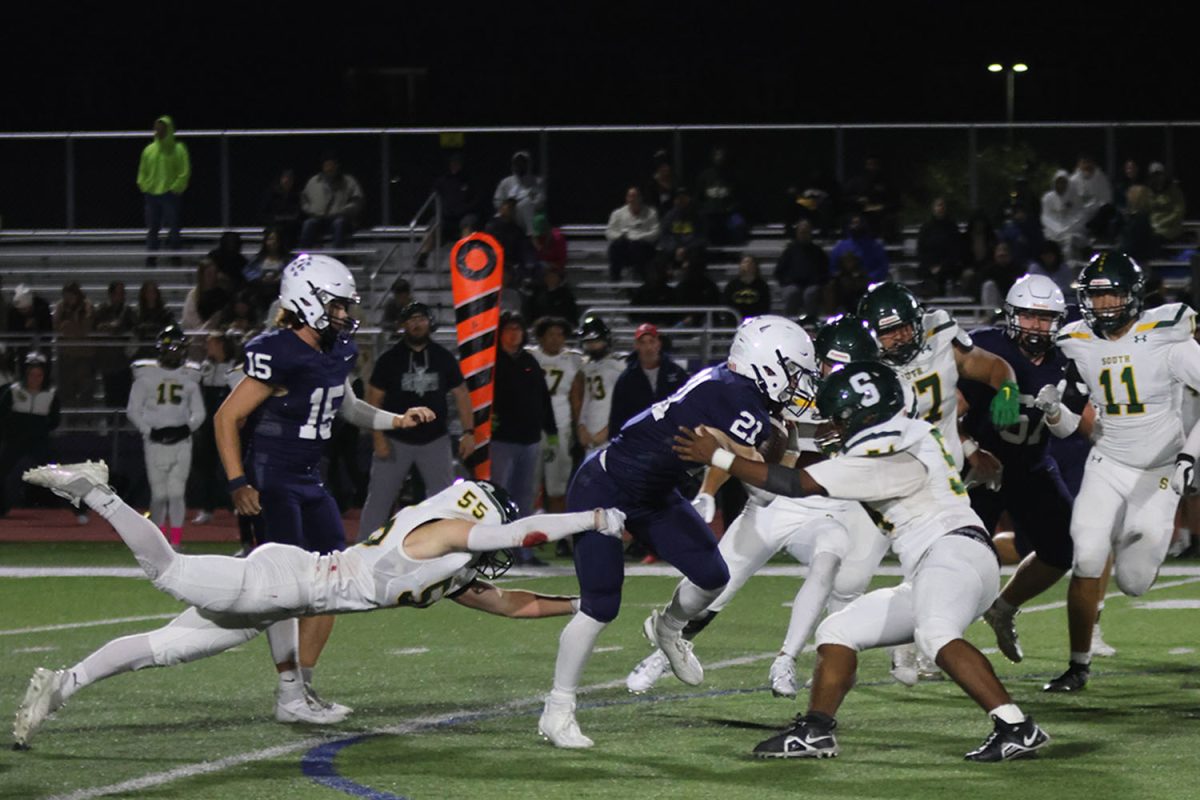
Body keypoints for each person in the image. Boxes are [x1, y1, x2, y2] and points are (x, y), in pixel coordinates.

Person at [12, 461, 626, 748]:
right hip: (287, 582)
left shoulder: (451, 570)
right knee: (166, 571)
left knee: (164, 649)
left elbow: (511, 604)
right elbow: (517, 536)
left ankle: (60, 686)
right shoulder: (439, 536)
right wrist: (593, 518)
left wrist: (585, 603)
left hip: (289, 591)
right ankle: (96, 491)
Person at [673, 362, 1050, 763]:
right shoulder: (916, 428)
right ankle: (816, 730)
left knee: (935, 633)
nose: (834, 426)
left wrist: (720, 457)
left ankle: (1016, 727)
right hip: (945, 560)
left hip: (953, 551)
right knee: (838, 630)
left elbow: (795, 484)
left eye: (839, 417)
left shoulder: (879, 456)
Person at [539, 315, 818, 748]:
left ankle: (668, 627)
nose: (798, 384)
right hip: (606, 486)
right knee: (600, 605)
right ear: (766, 364)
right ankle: (558, 710)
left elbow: (755, 458)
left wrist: (779, 433)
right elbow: (762, 482)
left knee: (713, 575)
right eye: (794, 373)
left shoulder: (735, 387)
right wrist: (784, 438)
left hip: (652, 491)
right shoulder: (737, 399)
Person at [213, 254, 432, 724]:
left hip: (312, 478)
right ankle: (289, 692)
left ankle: (302, 689)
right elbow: (228, 416)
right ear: (307, 300)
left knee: (332, 585)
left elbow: (347, 406)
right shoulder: (278, 349)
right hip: (273, 480)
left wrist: (397, 419)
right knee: (285, 589)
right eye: (335, 305)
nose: (344, 314)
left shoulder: (337, 351)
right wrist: (237, 482)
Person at [625, 315, 888, 697]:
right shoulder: (787, 386)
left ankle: (787, 659)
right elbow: (742, 449)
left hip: (828, 508)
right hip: (772, 503)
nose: (836, 375)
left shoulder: (874, 403)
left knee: (831, 556)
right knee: (719, 582)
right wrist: (709, 492)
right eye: (833, 366)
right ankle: (665, 653)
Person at [1037, 251, 1200, 692]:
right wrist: (1053, 412)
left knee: (1133, 582)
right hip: (1107, 461)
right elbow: (1072, 425)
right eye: (1096, 296)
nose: (1103, 305)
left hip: (1160, 470)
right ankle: (1078, 664)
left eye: (1112, 295)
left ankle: (1145, 541)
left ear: (1132, 296)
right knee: (1087, 555)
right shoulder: (1076, 340)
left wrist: (1190, 456)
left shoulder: (1167, 335)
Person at [857, 280, 1020, 684]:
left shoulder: (941, 337)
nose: (897, 338)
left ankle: (914, 645)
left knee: (933, 563)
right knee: (856, 570)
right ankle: (865, 645)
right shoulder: (867, 371)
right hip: (896, 478)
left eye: (903, 327)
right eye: (886, 331)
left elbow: (993, 369)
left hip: (945, 476)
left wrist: (1007, 392)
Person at [958, 275, 1095, 666]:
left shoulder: (1069, 358)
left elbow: (1088, 425)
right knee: (955, 555)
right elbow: (947, 408)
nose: (1036, 326)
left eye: (1045, 318)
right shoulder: (986, 346)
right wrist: (969, 450)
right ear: (1012, 315)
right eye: (1029, 317)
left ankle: (1003, 607)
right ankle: (917, 638)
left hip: (1032, 464)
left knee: (1063, 548)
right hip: (980, 468)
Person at [358, 301, 475, 538]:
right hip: (395, 438)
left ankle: (446, 548)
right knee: (379, 500)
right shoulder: (390, 359)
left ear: (430, 323)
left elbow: (461, 394)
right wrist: (378, 438)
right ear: (403, 325)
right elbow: (373, 399)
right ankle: (363, 552)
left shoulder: (442, 357)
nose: (417, 324)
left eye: (421, 318)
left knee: (445, 499)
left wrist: (469, 432)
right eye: (411, 319)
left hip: (435, 439)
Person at [126, 324, 206, 548]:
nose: (176, 353)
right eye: (173, 348)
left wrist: (186, 428)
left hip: (181, 442)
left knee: (177, 492)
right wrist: (149, 430)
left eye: (180, 348)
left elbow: (199, 412)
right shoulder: (146, 375)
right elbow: (133, 410)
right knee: (160, 495)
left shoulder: (189, 375)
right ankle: (160, 540)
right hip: (154, 442)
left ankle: (176, 543)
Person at [492, 311, 557, 564]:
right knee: (498, 497)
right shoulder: (492, 362)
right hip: (502, 440)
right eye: (509, 329)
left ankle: (523, 551)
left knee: (525, 498)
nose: (514, 334)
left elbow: (543, 399)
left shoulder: (529, 361)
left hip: (529, 439)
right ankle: (493, 550)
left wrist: (550, 432)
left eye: (518, 329)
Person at [529, 317, 583, 516]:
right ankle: (526, 529)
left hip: (561, 427)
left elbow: (576, 396)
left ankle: (557, 532)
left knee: (558, 486)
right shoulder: (530, 356)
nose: (556, 339)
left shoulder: (573, 360)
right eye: (551, 334)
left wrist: (578, 429)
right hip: (532, 427)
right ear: (541, 336)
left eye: (560, 334)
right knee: (529, 484)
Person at [190, 332, 240, 527]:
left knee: (230, 466)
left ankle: (235, 502)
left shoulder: (234, 368)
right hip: (208, 423)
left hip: (227, 422)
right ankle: (208, 507)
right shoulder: (206, 367)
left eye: (211, 344)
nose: (207, 347)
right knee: (205, 465)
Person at [0, 353, 59, 518]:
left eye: (39, 375)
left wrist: (40, 429)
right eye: (31, 374)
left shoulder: (51, 394)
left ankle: (79, 510)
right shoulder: (12, 391)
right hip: (14, 442)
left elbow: (55, 420)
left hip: (39, 443)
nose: (35, 378)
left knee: (57, 473)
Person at [608, 323, 689, 435]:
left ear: (659, 344)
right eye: (643, 343)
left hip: (671, 438)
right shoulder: (626, 379)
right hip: (639, 440)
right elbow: (617, 416)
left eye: (652, 341)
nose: (648, 347)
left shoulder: (676, 373)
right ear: (636, 346)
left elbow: (688, 406)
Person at [571, 315, 626, 455]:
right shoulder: (587, 367)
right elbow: (587, 400)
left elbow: (625, 404)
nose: (592, 346)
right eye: (588, 342)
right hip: (590, 433)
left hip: (611, 434)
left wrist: (608, 431)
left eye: (596, 341)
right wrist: (581, 426)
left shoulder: (619, 365)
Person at [137, 115, 190, 255]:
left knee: (174, 227)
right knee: (152, 227)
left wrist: (176, 188)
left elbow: (184, 171)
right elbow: (142, 171)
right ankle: (151, 256)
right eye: (156, 128)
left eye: (161, 128)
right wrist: (144, 186)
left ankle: (175, 254)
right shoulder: (149, 150)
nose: (158, 131)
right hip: (151, 194)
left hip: (170, 194)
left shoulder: (178, 149)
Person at [299, 152, 365, 249]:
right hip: (319, 219)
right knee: (308, 223)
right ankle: (303, 257)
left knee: (339, 223)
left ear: (337, 166)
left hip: (341, 219)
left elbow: (357, 201)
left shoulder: (348, 181)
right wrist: (311, 211)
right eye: (326, 165)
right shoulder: (314, 181)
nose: (329, 168)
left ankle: (339, 258)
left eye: (331, 165)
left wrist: (343, 211)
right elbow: (304, 200)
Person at [93, 281, 137, 408]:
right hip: (108, 361)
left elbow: (134, 328)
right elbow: (96, 328)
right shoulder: (102, 310)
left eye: (122, 293)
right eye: (117, 293)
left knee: (124, 395)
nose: (120, 296)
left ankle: (122, 424)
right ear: (110, 295)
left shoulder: (128, 312)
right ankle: (111, 423)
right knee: (110, 396)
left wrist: (116, 328)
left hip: (124, 361)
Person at [774, 219, 830, 317]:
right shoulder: (789, 251)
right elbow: (779, 272)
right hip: (792, 284)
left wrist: (818, 281)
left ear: (811, 233)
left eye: (807, 232)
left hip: (812, 285)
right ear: (797, 233)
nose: (804, 235)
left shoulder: (818, 251)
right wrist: (787, 281)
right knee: (792, 293)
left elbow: (825, 271)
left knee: (810, 294)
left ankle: (811, 322)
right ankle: (790, 321)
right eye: (802, 232)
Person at [694, 145, 747, 246]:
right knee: (701, 224)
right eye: (717, 155)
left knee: (738, 224)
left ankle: (734, 252)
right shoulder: (704, 176)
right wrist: (706, 209)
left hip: (728, 214)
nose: (719, 157)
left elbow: (740, 198)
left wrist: (731, 208)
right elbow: (698, 198)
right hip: (710, 214)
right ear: (713, 157)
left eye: (721, 155)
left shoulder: (733, 176)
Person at [52, 282, 95, 408]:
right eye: (66, 296)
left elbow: (86, 327)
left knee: (85, 390)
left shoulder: (87, 305)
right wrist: (72, 328)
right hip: (66, 355)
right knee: (66, 390)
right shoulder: (61, 306)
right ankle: (69, 421)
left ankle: (86, 421)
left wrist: (70, 327)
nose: (68, 299)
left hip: (84, 356)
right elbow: (56, 326)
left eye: (71, 296)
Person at [605, 187, 660, 281]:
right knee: (615, 246)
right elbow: (609, 231)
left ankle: (640, 277)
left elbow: (656, 232)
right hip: (624, 247)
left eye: (635, 196)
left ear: (640, 198)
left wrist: (640, 237)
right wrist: (621, 236)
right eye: (630, 196)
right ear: (626, 198)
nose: (633, 199)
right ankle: (615, 279)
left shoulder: (651, 213)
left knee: (638, 246)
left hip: (643, 247)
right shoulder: (618, 214)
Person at [916, 197, 964, 295]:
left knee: (946, 273)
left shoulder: (952, 227)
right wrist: (930, 266)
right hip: (929, 266)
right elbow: (921, 249)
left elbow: (955, 250)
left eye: (942, 205)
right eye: (938, 205)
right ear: (933, 208)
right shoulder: (926, 227)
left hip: (948, 266)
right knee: (926, 274)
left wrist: (942, 266)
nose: (940, 208)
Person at [493, 150, 544, 235]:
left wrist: (526, 203)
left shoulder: (537, 182)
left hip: (527, 215)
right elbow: (497, 200)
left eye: (523, 163)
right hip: (508, 215)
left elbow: (541, 201)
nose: (520, 166)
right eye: (517, 163)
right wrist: (505, 207)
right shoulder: (506, 182)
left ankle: (530, 237)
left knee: (526, 204)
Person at [829, 214, 889, 284]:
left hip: (870, 284)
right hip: (846, 286)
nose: (856, 226)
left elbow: (882, 267)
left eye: (859, 223)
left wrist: (868, 278)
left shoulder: (875, 246)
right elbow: (833, 268)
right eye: (853, 223)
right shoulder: (841, 247)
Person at [1040, 169, 1086, 259]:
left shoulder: (1075, 198)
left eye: (1063, 182)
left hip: (1072, 231)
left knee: (1071, 241)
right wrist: (1057, 229)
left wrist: (1067, 229)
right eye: (1058, 182)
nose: (1061, 185)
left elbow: (1080, 216)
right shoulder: (1048, 198)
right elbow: (1045, 217)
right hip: (1053, 232)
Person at [1069, 153, 1115, 239]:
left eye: (1089, 162)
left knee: (1107, 209)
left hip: (1097, 214)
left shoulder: (1101, 178)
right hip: (1080, 216)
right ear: (1079, 165)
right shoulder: (1073, 181)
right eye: (1084, 163)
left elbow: (1107, 199)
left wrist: (1093, 207)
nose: (1087, 165)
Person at [258, 168, 302, 251]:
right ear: (280, 179)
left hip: (290, 226)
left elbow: (297, 213)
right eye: (285, 178)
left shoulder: (296, 195)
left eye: (290, 179)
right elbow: (263, 213)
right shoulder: (271, 194)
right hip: (273, 224)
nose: (287, 181)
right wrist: (275, 218)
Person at [1145, 161, 1187, 244]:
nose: (1157, 178)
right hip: (1152, 228)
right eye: (1154, 175)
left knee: (1155, 239)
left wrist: (1162, 223)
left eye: (1159, 174)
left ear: (1164, 175)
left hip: (1170, 228)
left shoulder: (1174, 190)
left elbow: (1179, 211)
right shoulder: (1148, 192)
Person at [723, 255, 772, 319]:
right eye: (744, 262)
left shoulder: (762, 285)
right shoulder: (732, 285)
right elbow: (727, 304)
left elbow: (765, 306)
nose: (747, 265)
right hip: (736, 320)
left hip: (755, 321)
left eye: (750, 263)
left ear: (755, 266)